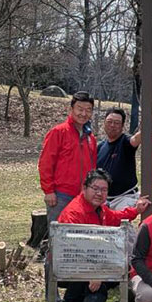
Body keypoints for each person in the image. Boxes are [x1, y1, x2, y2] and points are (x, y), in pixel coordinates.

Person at [56, 169, 152, 302]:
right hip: (72, 265)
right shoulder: (74, 214)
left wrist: (136, 210)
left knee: (119, 272)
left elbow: (116, 217)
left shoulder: (100, 209)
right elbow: (74, 250)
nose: (99, 193)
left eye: (104, 190)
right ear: (84, 188)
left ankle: (89, 293)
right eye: (95, 188)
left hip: (95, 262)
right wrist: (94, 273)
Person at [39, 91, 98, 222]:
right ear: (71, 109)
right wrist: (49, 191)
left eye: (88, 110)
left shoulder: (90, 138)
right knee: (59, 231)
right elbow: (45, 163)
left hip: (83, 197)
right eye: (80, 109)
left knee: (80, 232)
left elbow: (93, 167)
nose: (84, 113)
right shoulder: (58, 132)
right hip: (61, 195)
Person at [96, 107, 143, 209]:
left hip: (125, 198)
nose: (112, 125)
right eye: (109, 122)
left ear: (122, 126)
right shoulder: (100, 147)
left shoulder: (125, 141)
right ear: (104, 123)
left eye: (117, 123)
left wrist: (145, 126)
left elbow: (136, 139)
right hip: (104, 199)